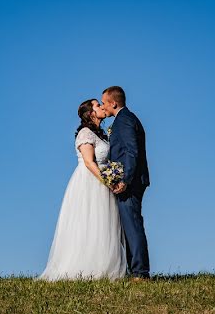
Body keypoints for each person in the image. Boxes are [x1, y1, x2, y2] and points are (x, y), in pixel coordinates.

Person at [39, 99, 127, 281]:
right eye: (97, 105)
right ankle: (84, 268)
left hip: (103, 179)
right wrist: (107, 181)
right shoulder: (85, 133)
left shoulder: (102, 134)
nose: (102, 107)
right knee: (90, 221)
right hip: (90, 181)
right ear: (90, 113)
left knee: (104, 222)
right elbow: (88, 162)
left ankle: (105, 266)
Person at [101, 86, 151, 280]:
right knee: (128, 225)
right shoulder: (123, 119)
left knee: (132, 225)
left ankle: (140, 272)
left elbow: (132, 152)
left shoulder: (125, 120)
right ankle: (135, 270)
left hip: (131, 181)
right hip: (130, 179)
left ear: (113, 103)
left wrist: (125, 180)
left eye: (104, 102)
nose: (104, 106)